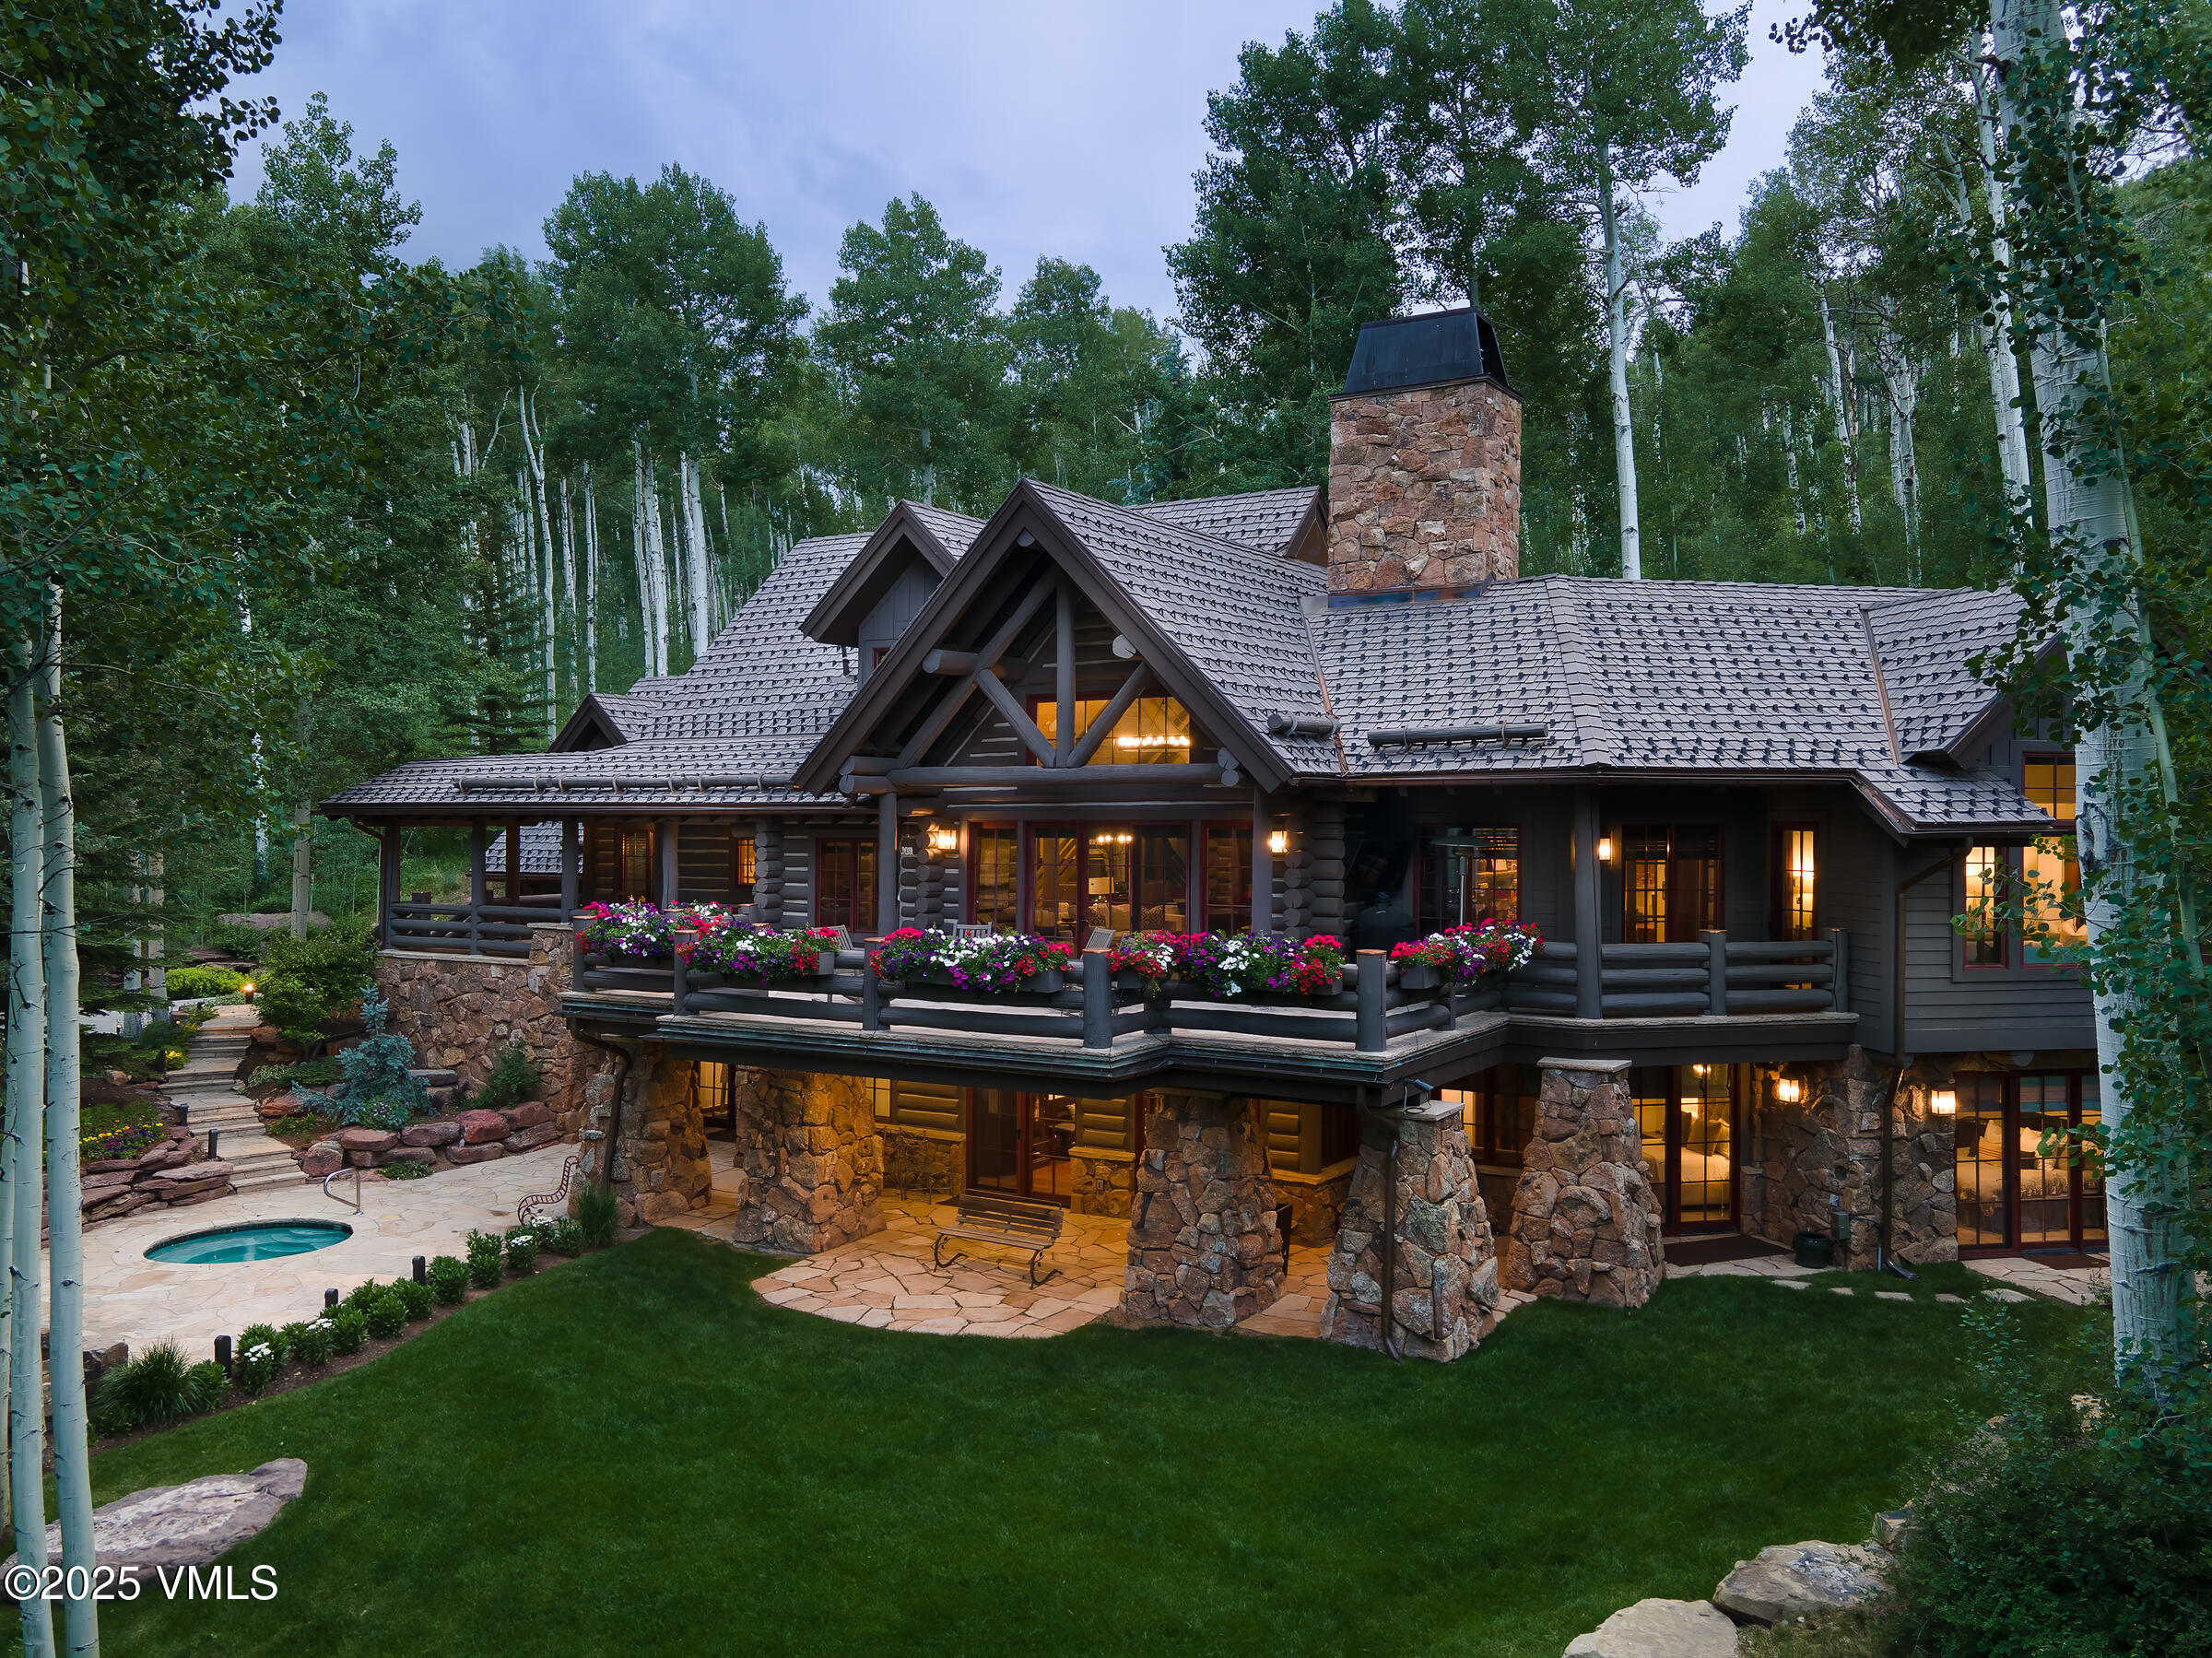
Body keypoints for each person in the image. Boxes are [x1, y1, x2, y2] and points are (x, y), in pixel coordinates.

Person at [1349, 887, 1418, 953]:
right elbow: (1410, 940)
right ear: (1389, 900)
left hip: (1367, 959)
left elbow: (1354, 940)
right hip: (1394, 960)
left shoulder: (1361, 917)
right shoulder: (1404, 917)